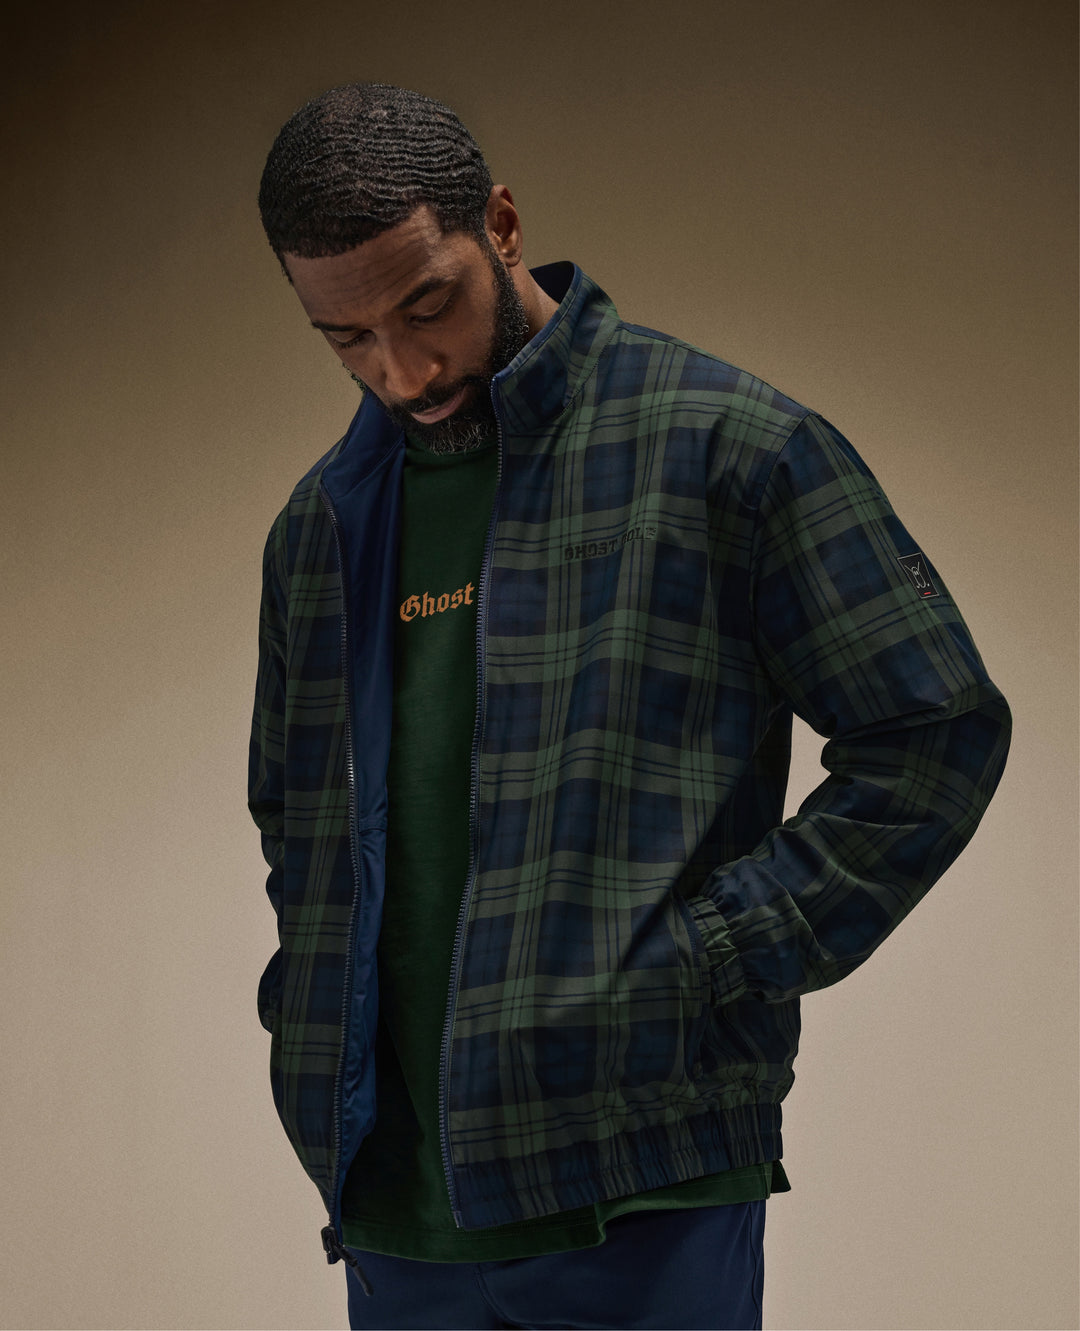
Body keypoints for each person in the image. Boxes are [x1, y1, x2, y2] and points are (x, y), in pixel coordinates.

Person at [248, 82, 1012, 1331]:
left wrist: (708, 957)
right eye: (346, 339)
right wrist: (310, 1011)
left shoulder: (726, 449)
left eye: (426, 305)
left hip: (640, 1178)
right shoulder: (321, 524)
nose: (401, 367)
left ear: (499, 223)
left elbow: (935, 731)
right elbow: (294, 817)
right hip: (393, 1204)